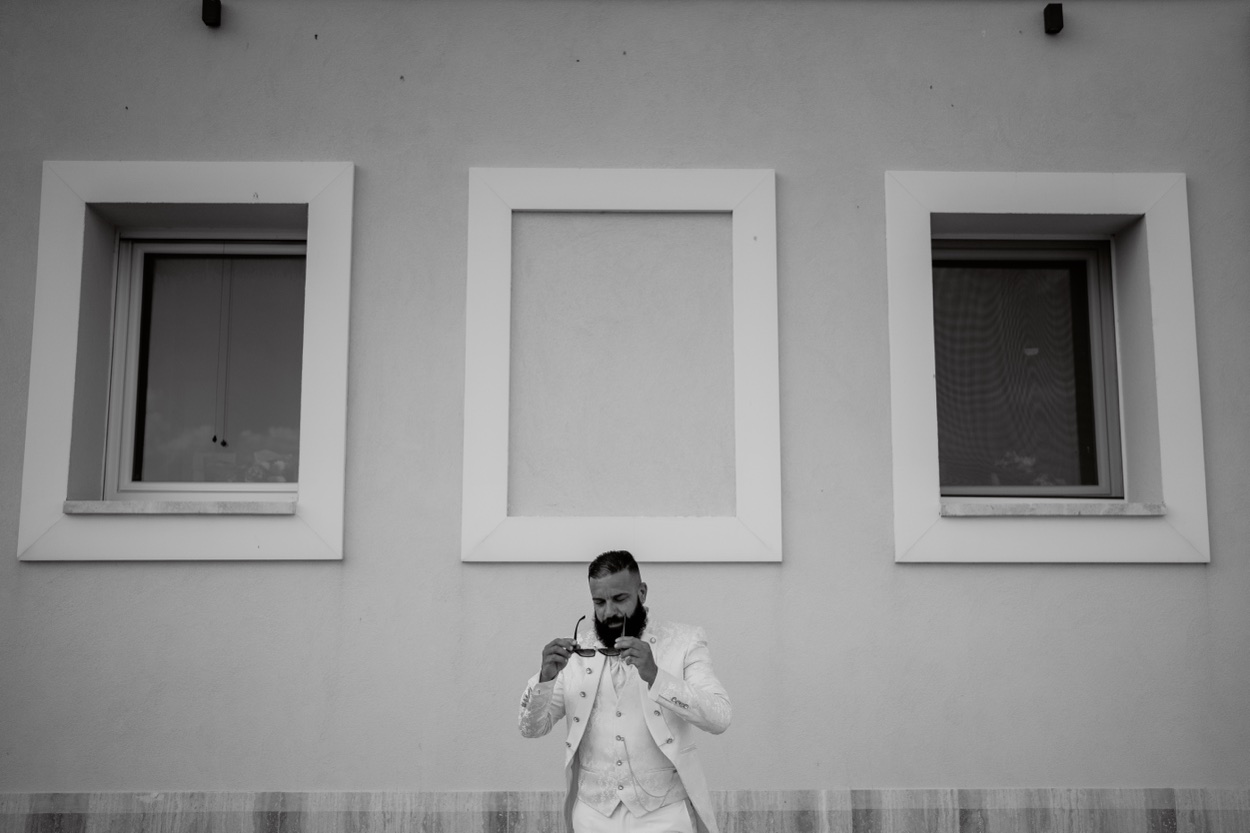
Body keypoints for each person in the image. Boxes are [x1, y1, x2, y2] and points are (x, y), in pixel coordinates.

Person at [518, 550, 731, 833]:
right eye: (599, 602)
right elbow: (531, 728)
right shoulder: (576, 653)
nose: (609, 612)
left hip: (665, 814)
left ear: (641, 592)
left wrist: (656, 676)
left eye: (619, 599)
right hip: (592, 815)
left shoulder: (684, 641)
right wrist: (545, 678)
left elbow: (719, 717)